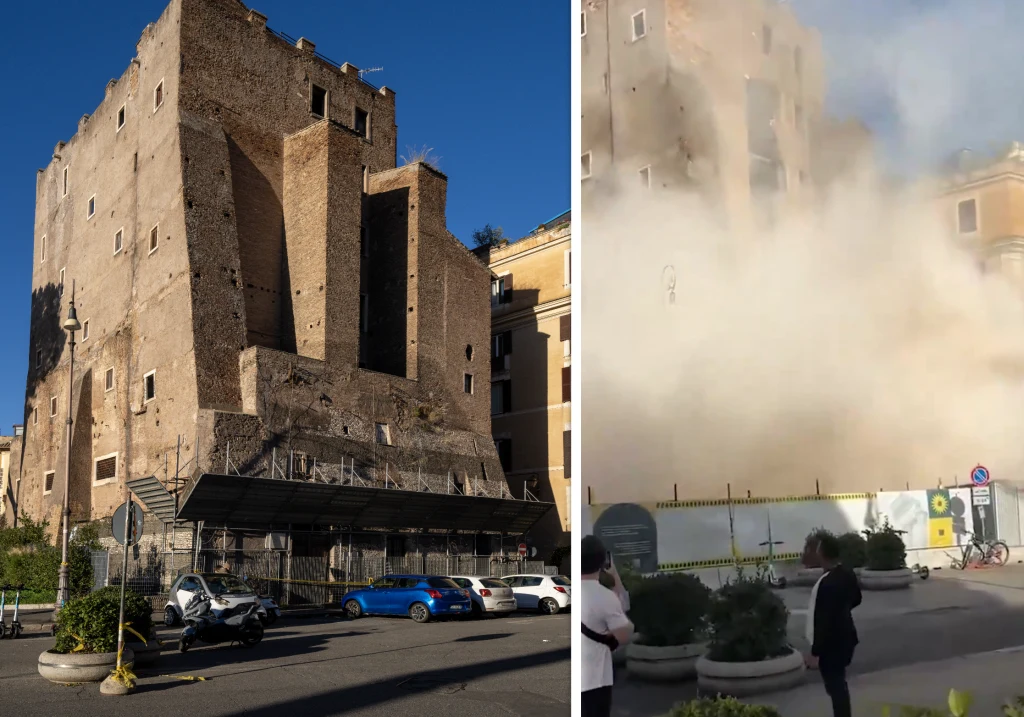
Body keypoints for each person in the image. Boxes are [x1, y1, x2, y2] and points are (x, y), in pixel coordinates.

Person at [805, 533, 862, 717]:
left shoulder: (827, 583)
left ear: (822, 554)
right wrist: (842, 609)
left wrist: (815, 652)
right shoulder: (846, 573)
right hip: (846, 637)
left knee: (835, 686)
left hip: (832, 643)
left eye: (817, 549)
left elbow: (823, 619)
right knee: (838, 684)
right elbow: (857, 598)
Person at [581, 535, 634, 717]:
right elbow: (625, 635)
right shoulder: (604, 596)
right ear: (602, 563)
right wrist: (615, 576)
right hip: (596, 680)